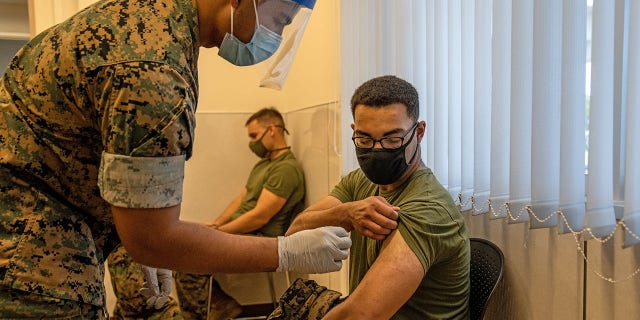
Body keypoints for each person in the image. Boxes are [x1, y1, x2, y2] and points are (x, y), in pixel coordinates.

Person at [0, 0, 351, 318]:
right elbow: (152, 239)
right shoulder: (152, 69)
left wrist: (152, 233)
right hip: (31, 260)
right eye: (282, 19)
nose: (278, 34)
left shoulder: (152, 21)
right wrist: (286, 252)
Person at [281, 75, 470, 319]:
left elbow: (360, 316)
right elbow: (294, 235)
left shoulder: (427, 209)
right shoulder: (360, 182)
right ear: (354, 131)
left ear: (419, 132)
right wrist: (345, 213)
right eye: (365, 139)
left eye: (392, 139)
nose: (377, 150)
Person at [173, 107, 306, 319]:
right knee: (183, 248)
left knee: (189, 259)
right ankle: (221, 307)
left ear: (272, 130)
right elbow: (241, 199)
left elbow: (259, 217)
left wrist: (220, 233)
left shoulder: (285, 170)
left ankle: (208, 313)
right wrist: (216, 225)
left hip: (262, 238)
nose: (252, 143)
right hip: (241, 233)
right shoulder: (264, 165)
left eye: (254, 136)